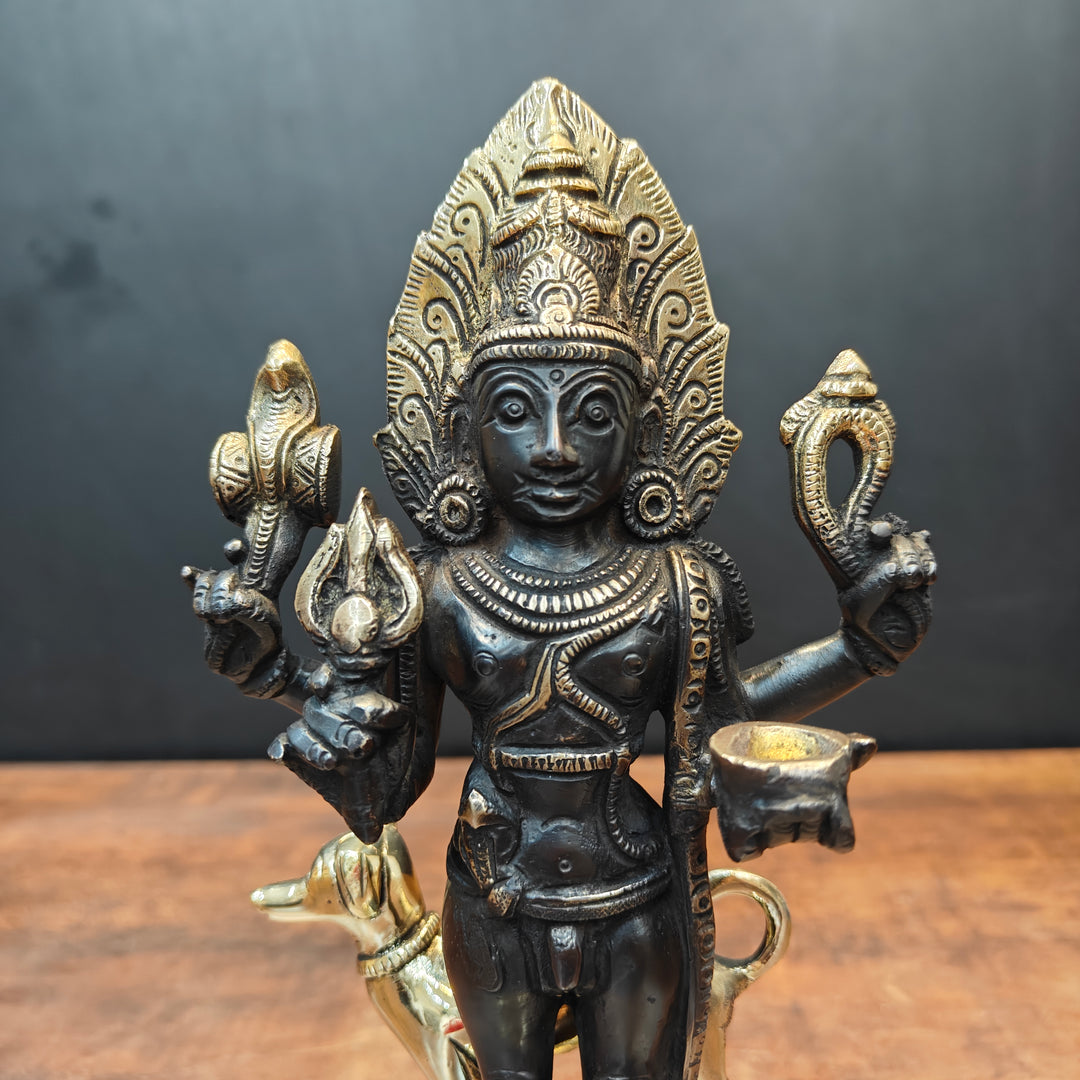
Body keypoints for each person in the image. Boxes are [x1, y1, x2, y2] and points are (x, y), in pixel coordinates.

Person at [186, 80, 933, 1080]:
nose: (551, 447)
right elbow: (387, 774)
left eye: (591, 411)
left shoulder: (678, 585)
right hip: (493, 893)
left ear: (644, 430)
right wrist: (275, 673)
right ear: (463, 428)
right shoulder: (437, 590)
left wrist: (862, 649)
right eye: (514, 411)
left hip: (637, 897)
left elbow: (732, 726)